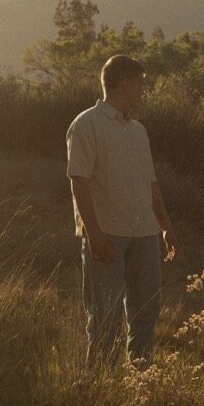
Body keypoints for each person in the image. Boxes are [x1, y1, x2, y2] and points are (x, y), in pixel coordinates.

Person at [67, 54, 176, 366]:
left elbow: (151, 185)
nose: (143, 91)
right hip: (107, 235)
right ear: (125, 84)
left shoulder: (138, 131)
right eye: (140, 84)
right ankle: (101, 387)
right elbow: (79, 182)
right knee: (105, 318)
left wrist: (166, 227)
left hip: (145, 234)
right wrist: (94, 234)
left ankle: (141, 383)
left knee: (145, 316)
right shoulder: (86, 124)